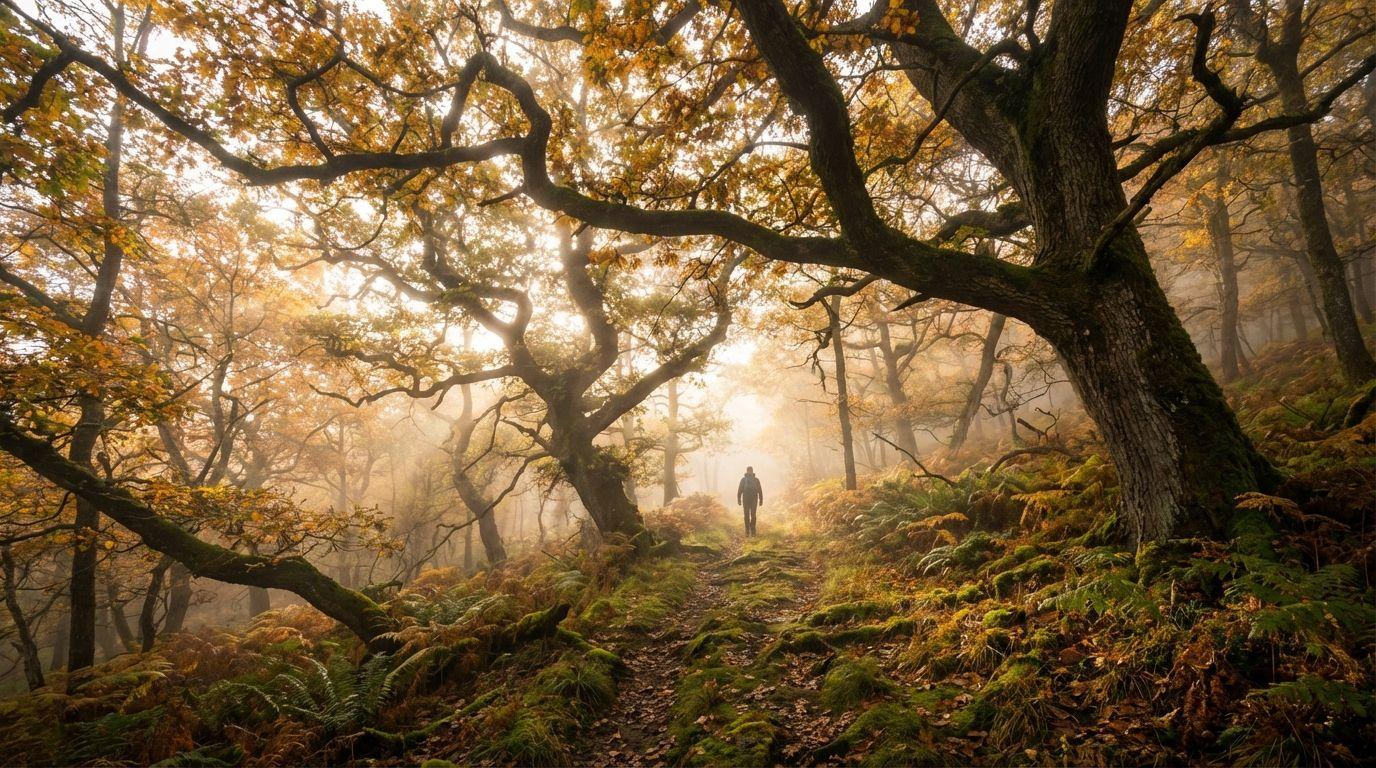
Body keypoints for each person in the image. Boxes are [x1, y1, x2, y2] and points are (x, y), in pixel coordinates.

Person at [736, 466, 763, 536]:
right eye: (749, 471)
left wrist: (761, 500)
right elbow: (740, 490)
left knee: (751, 515)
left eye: (750, 471)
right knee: (748, 515)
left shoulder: (746, 480)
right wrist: (739, 500)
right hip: (750, 499)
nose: (750, 472)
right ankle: (748, 530)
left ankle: (751, 530)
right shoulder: (753, 480)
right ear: (748, 471)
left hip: (749, 499)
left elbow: (760, 490)